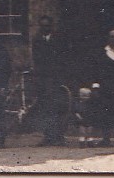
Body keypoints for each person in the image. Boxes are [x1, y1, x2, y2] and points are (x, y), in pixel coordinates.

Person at [30, 15, 66, 145]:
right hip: (43, 79)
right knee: (44, 107)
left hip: (56, 78)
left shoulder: (58, 39)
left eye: (47, 26)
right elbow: (36, 59)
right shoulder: (37, 40)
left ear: (51, 26)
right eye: (42, 26)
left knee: (57, 107)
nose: (45, 28)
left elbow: (63, 58)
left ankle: (59, 137)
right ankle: (47, 136)